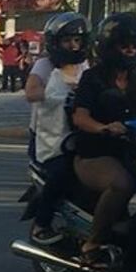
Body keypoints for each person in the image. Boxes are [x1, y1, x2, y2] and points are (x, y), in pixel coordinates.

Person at [71, 13, 136, 265]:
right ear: (110, 47)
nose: (131, 50)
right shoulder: (93, 79)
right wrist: (103, 128)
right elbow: (80, 117)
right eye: (125, 45)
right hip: (93, 153)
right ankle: (93, 242)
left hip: (127, 151)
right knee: (122, 184)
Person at [24, 12, 90, 245]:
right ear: (55, 42)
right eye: (67, 40)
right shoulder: (45, 65)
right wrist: (55, 93)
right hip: (47, 140)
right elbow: (31, 92)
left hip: (77, 133)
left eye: (77, 41)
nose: (73, 46)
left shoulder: (84, 66)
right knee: (62, 173)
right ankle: (41, 224)